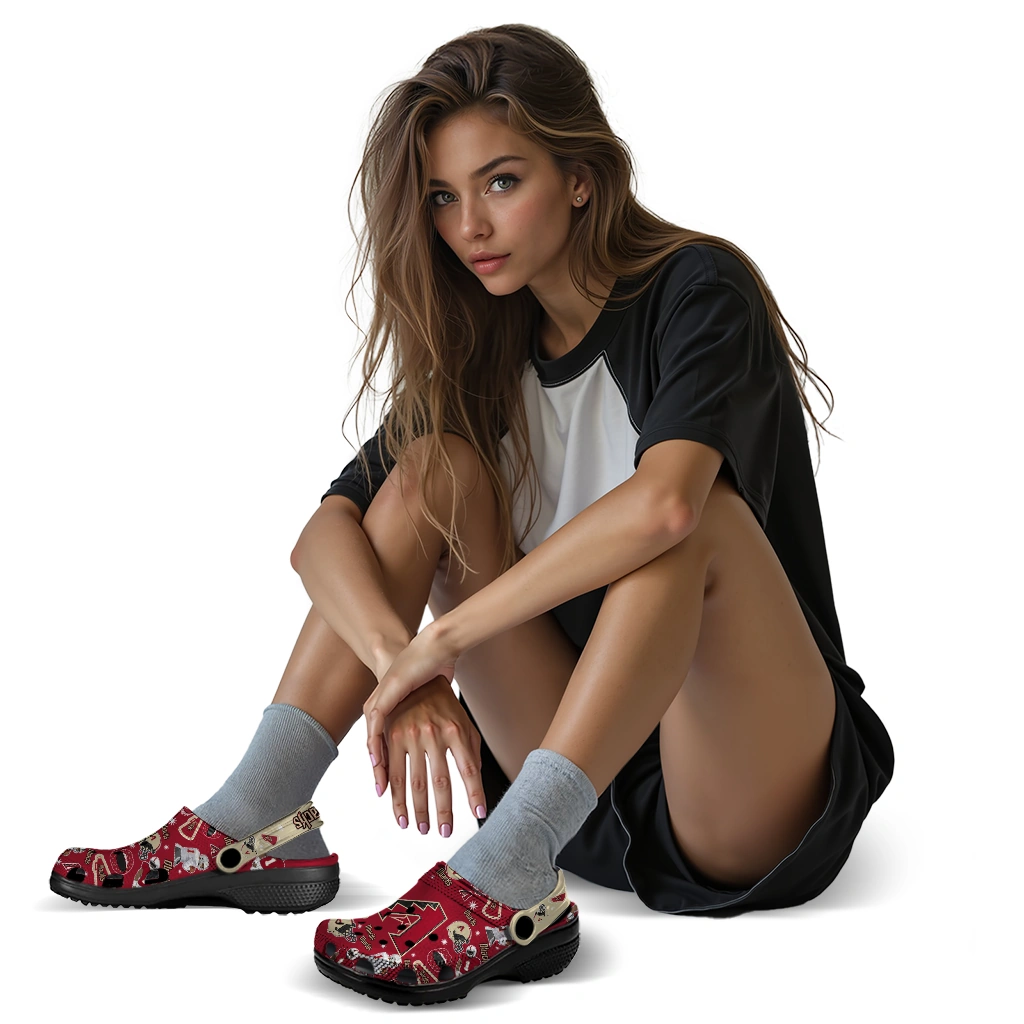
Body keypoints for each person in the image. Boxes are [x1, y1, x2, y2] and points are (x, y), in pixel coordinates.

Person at [49, 22, 895, 1005]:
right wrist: (398, 665)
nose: (469, 228)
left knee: (696, 517)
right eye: (444, 197)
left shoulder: (697, 291)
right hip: (580, 791)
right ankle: (257, 815)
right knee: (432, 473)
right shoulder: (484, 347)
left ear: (580, 178)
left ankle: (507, 871)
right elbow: (322, 536)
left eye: (501, 182)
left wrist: (442, 640)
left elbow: (664, 507)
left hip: (747, 795)